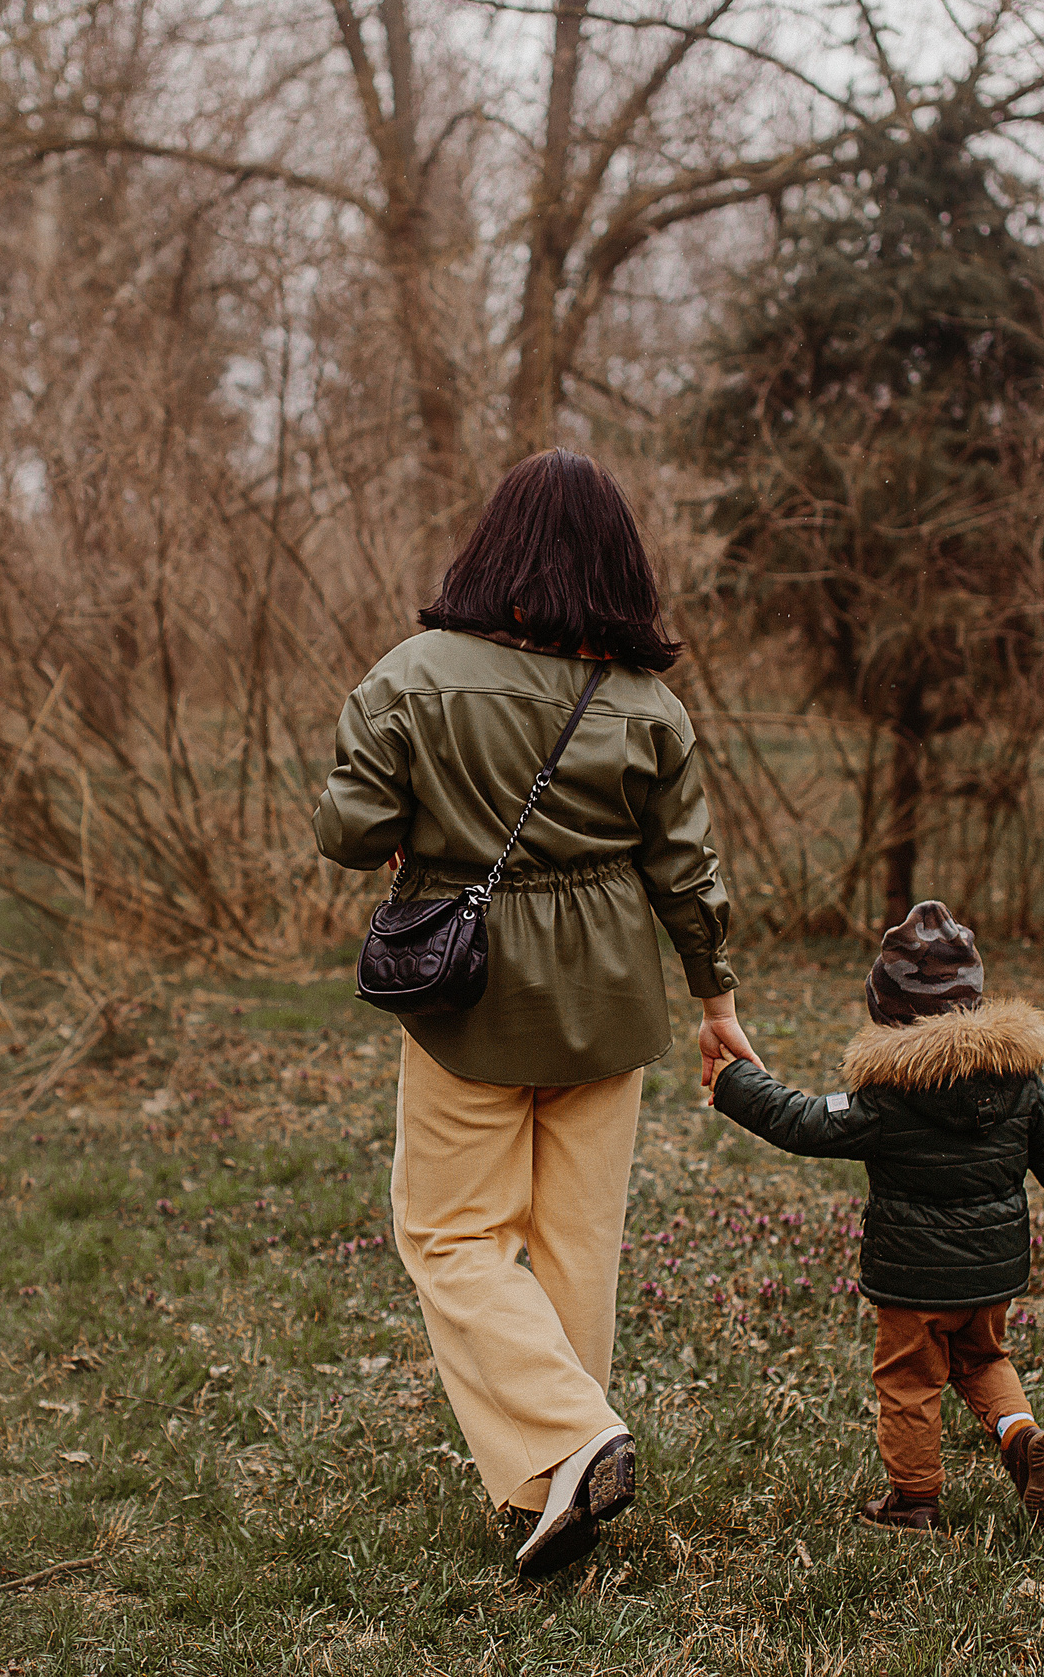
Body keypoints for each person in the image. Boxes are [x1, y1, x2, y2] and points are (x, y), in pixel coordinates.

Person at [312, 450, 761, 1580]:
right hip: (610, 994)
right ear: (618, 562)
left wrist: (428, 814)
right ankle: (549, 1491)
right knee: (575, 1247)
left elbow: (347, 829)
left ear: (491, 549)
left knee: (449, 1232)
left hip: (469, 993)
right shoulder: (648, 705)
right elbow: (688, 873)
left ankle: (564, 1444)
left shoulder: (412, 674)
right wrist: (717, 1001)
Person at [707, 900, 1044, 1532]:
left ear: (888, 1012)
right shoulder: (1018, 1083)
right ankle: (1021, 1437)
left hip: (913, 1280)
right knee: (985, 1360)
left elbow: (804, 1123)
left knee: (910, 1380)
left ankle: (913, 1501)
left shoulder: (888, 1096)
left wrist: (735, 1083)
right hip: (993, 1272)